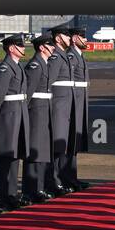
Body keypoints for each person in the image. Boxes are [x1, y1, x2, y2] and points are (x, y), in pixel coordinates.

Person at [0, 33, 30, 209]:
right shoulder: (5, 69)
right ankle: (2, 195)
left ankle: (11, 193)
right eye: (20, 46)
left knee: (14, 158)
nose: (23, 48)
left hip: (18, 116)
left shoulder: (17, 66)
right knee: (6, 159)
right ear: (12, 48)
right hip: (8, 118)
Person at [22, 34, 55, 202]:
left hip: (44, 112)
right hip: (35, 113)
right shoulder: (35, 66)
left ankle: (39, 188)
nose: (53, 47)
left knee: (42, 151)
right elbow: (28, 94)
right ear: (42, 47)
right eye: (50, 45)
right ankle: (31, 190)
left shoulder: (45, 64)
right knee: (34, 153)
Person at [46, 25, 77, 196]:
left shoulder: (63, 55)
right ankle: (53, 182)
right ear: (58, 38)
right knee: (56, 148)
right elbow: (47, 82)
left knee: (61, 146)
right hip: (57, 108)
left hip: (65, 108)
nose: (69, 39)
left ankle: (59, 180)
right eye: (66, 36)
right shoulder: (56, 57)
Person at [67, 27, 93, 191]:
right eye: (83, 37)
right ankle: (66, 178)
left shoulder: (79, 55)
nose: (86, 40)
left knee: (74, 143)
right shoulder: (71, 56)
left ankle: (72, 177)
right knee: (69, 144)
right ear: (75, 38)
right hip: (72, 103)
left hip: (79, 102)